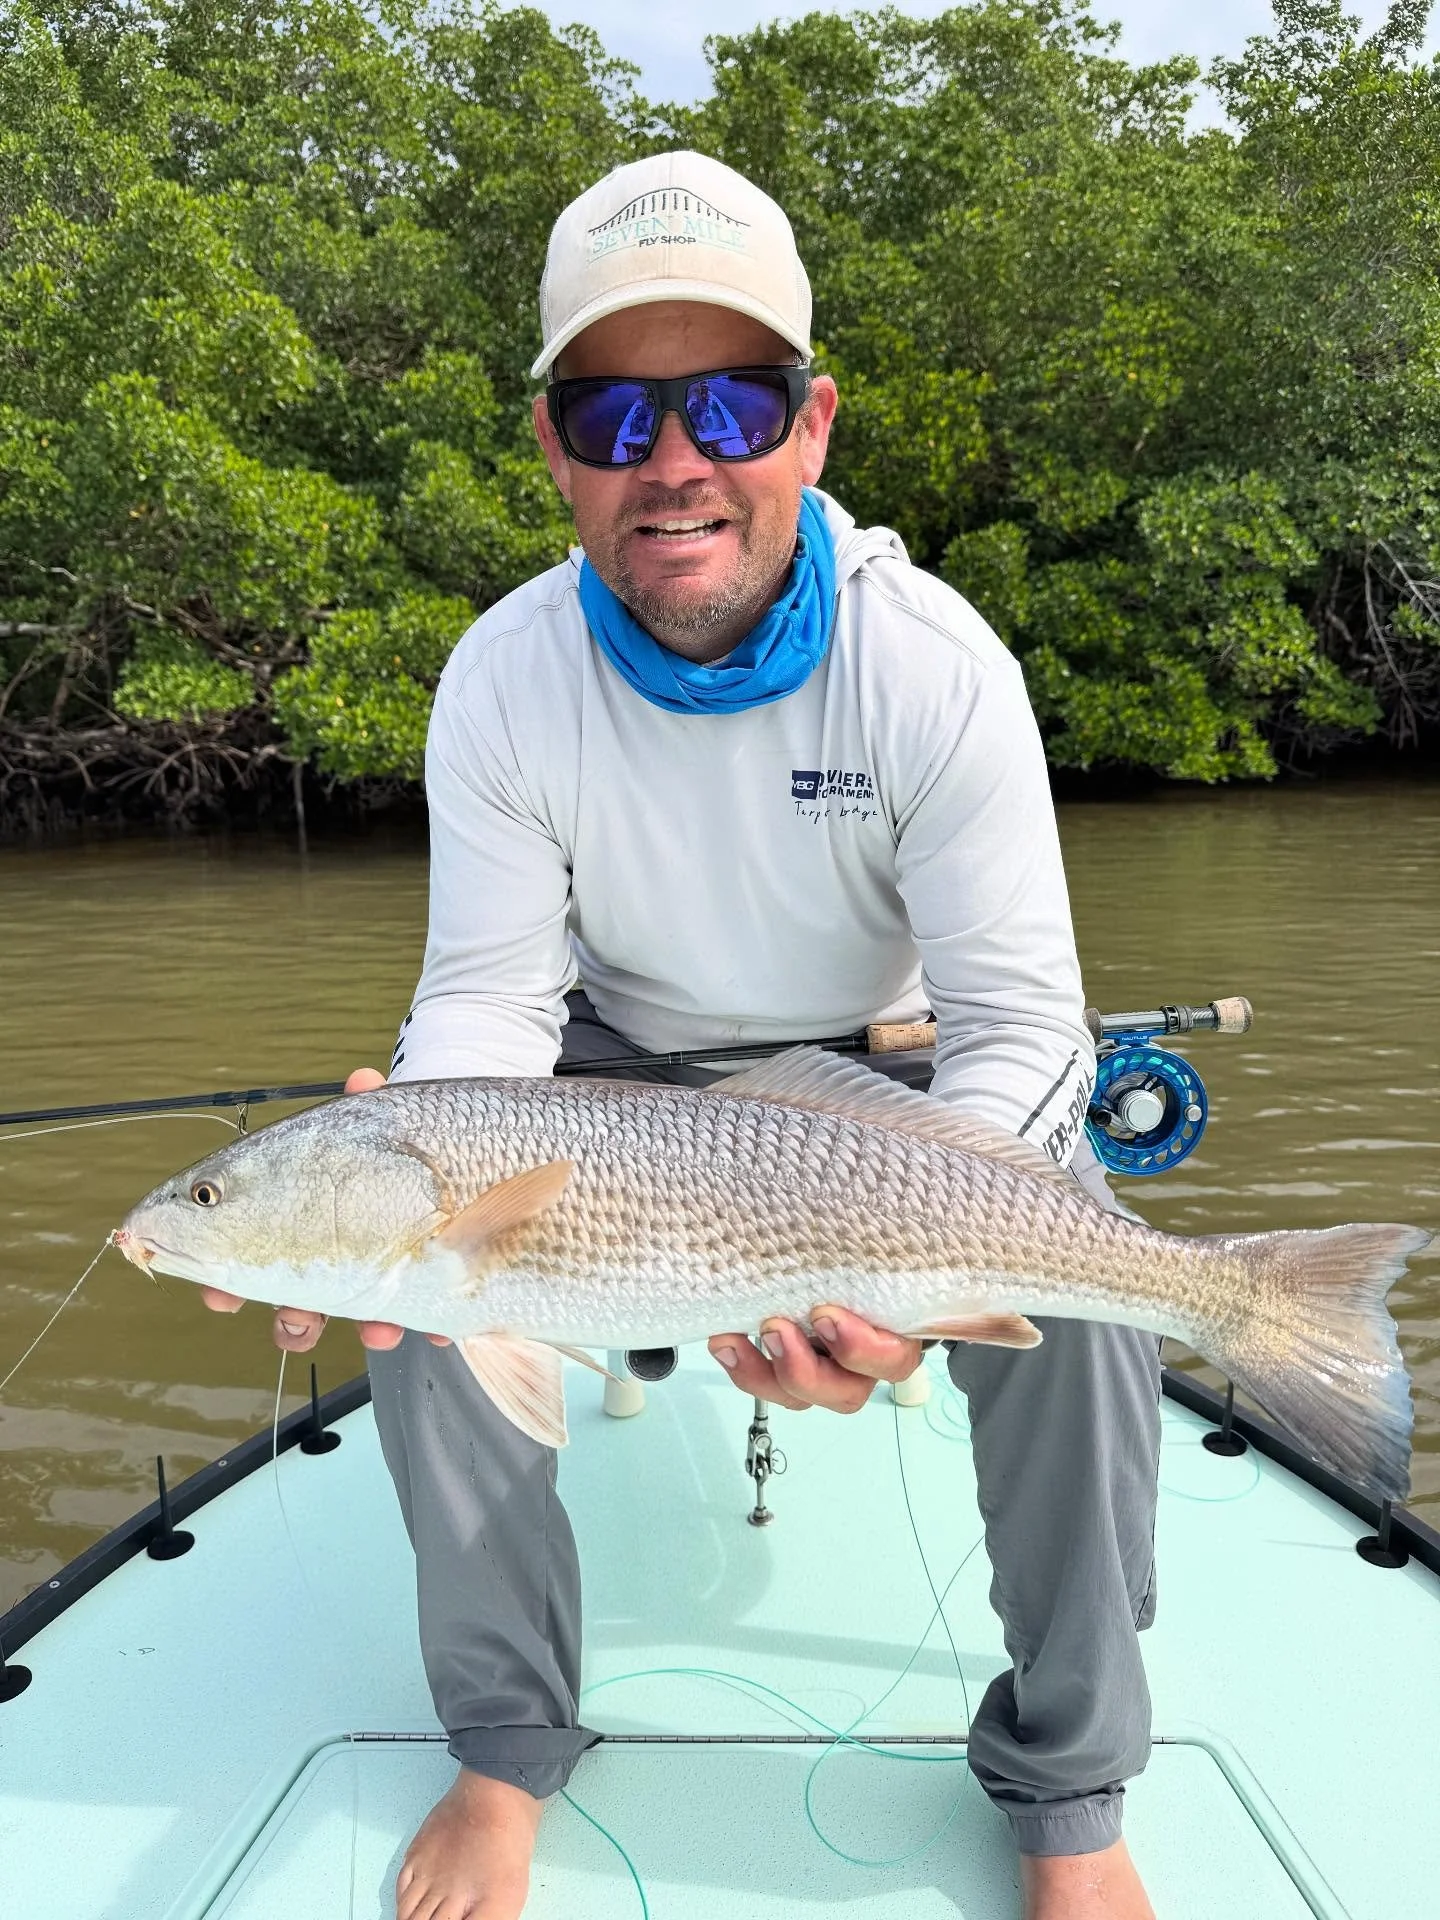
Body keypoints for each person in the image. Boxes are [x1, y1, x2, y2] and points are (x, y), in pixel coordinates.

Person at [204, 151, 1161, 1920]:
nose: (676, 461)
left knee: (1082, 1269)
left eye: (729, 400)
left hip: (882, 1063)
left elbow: (1024, 1021)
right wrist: (411, 1147)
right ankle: (507, 1756)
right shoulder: (501, 674)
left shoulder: (937, 667)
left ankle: (1073, 1795)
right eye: (613, 411)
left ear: (811, 427)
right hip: (610, 1065)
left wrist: (914, 1268)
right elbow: (489, 1003)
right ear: (556, 448)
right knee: (430, 1286)